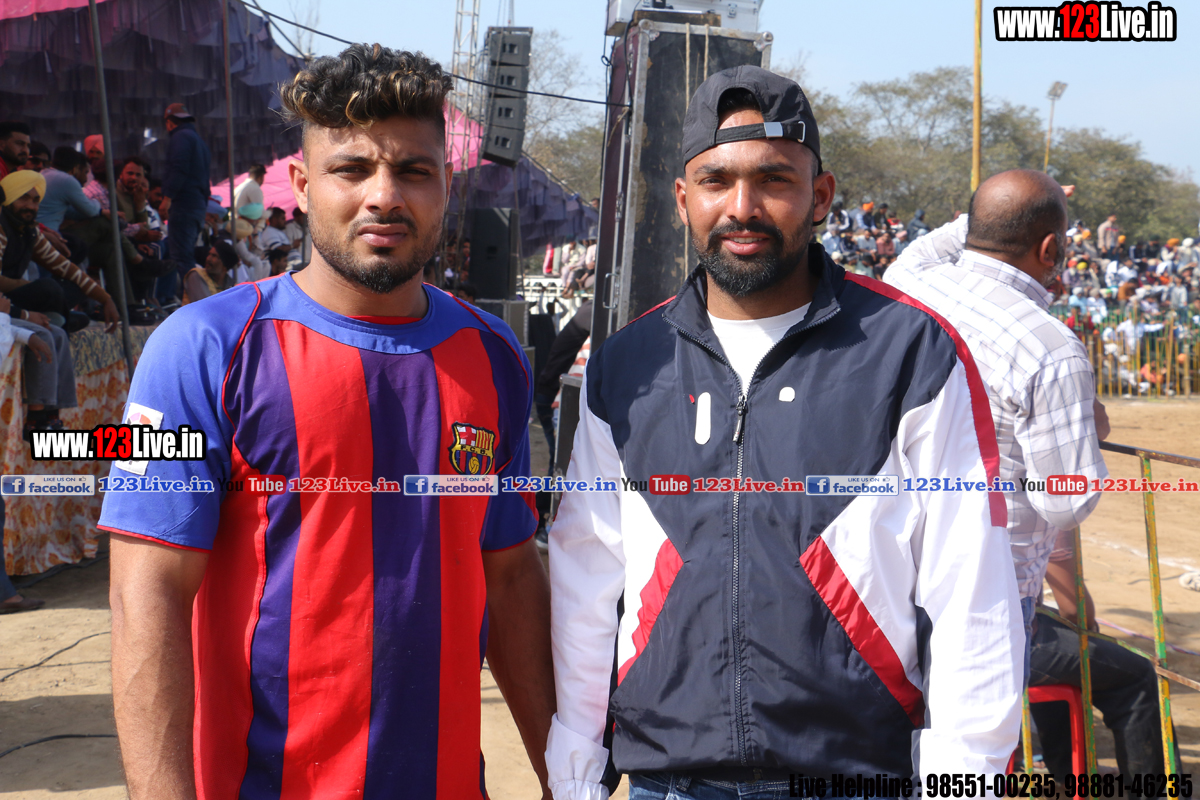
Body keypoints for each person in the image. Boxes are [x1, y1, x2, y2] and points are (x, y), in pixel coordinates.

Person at [547, 66, 1022, 800]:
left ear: (820, 196)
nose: (742, 207)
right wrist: (576, 767)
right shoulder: (628, 364)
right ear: (683, 199)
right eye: (716, 181)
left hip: (856, 778)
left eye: (773, 179)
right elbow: (586, 577)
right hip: (670, 781)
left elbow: (971, 586)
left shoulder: (911, 352)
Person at [102, 43, 555, 800]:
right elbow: (145, 594)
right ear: (306, 185)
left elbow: (510, 578)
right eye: (352, 169)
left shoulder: (496, 355)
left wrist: (565, 778)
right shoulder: (199, 347)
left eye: (414, 170)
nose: (385, 196)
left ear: (446, 185)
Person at [883, 170, 1109, 673]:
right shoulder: (1050, 347)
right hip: (992, 589)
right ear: (1050, 248)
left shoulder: (911, 281)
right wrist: (1086, 429)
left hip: (898, 564)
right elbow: (1064, 501)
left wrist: (1008, 206)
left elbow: (941, 241)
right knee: (976, 722)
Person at [1030, 527, 1179, 780]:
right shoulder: (1050, 513)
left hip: (958, 639)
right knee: (1137, 675)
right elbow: (1074, 610)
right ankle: (1156, 792)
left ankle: (1070, 770)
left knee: (1064, 645)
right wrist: (1089, 631)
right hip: (1009, 642)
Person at [0, 171, 119, 325]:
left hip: (14, 298)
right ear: (9, 197)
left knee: (76, 285)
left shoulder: (29, 230)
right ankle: (58, 321)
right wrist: (28, 288)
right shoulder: (2, 227)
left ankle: (55, 320)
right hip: (3, 302)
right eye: (23, 198)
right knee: (48, 287)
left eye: (36, 200)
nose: (30, 206)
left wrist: (105, 298)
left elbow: (64, 266)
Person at [161, 102, 212, 278]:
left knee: (181, 258)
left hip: (184, 205)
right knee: (186, 255)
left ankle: (192, 294)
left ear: (169, 123)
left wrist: (167, 198)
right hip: (197, 207)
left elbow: (179, 168)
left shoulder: (180, 137)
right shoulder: (199, 141)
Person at [36, 147, 99, 233]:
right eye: (85, 172)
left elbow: (69, 211)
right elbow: (91, 211)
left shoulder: (44, 173)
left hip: (37, 231)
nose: (86, 178)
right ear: (75, 168)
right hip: (48, 233)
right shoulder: (66, 180)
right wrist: (97, 202)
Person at [182, 240, 235, 304]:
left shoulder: (230, 284)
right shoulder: (196, 275)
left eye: (214, 256)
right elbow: (205, 305)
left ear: (224, 267)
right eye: (209, 254)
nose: (208, 258)